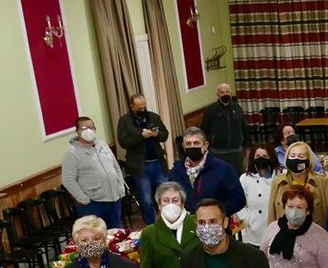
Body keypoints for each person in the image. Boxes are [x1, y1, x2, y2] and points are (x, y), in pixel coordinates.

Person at [61, 116, 126, 229]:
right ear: (77, 131)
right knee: (96, 233)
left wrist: (120, 187)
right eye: (84, 128)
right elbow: (67, 180)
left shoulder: (102, 145)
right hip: (93, 203)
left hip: (114, 198)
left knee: (115, 232)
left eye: (91, 127)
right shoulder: (72, 152)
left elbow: (116, 168)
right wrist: (84, 199)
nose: (89, 131)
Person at [116, 94, 170, 226]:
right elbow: (123, 142)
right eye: (139, 107)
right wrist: (141, 136)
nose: (142, 109)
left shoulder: (154, 116)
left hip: (158, 163)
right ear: (132, 106)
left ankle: (169, 221)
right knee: (146, 201)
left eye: (144, 106)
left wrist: (157, 134)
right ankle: (151, 226)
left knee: (167, 195)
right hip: (140, 167)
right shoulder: (124, 121)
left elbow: (165, 135)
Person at [168, 127, 247, 217]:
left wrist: (216, 213)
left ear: (205, 145)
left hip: (215, 222)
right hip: (186, 223)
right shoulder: (176, 171)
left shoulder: (223, 169)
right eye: (188, 144)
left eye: (196, 143)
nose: (192, 147)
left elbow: (239, 199)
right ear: (183, 146)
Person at [270, 141, 328, 227]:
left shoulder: (322, 181)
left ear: (308, 160)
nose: (296, 159)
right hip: (285, 231)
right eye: (292, 156)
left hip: (314, 231)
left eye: (300, 156)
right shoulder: (277, 181)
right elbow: (271, 213)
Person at [236, 144, 281, 247]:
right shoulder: (245, 178)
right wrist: (247, 219)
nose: (261, 159)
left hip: (276, 229)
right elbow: (239, 202)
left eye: (265, 156)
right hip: (254, 232)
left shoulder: (279, 176)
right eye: (257, 156)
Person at [199, 83, 247, 172]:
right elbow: (203, 130)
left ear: (231, 94)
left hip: (236, 151)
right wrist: (203, 148)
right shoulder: (211, 109)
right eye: (222, 92)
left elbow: (244, 128)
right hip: (217, 152)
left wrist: (247, 146)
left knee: (236, 176)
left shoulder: (237, 108)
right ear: (218, 94)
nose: (225, 94)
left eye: (227, 92)